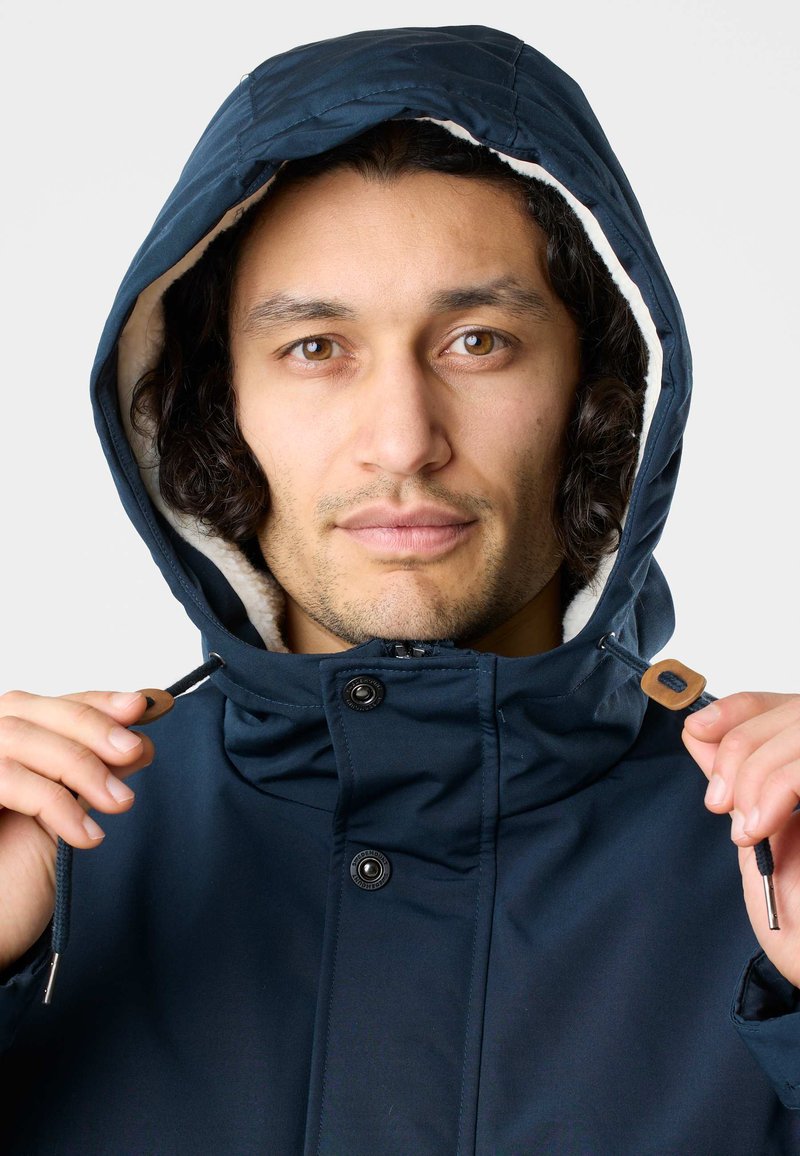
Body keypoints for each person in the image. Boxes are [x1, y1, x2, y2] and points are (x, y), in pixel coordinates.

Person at [1, 24, 799, 1154]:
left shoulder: (769, 853)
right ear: (213, 402)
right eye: (316, 348)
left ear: (602, 389)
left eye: (478, 342)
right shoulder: (47, 849)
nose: (403, 440)